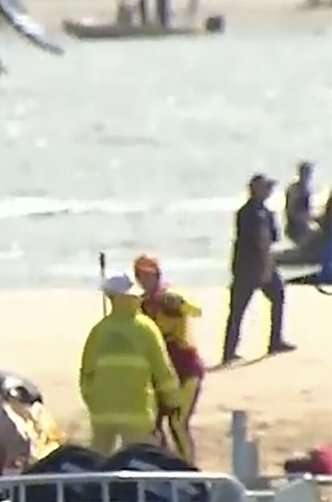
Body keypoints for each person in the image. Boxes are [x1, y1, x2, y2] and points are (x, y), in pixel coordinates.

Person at [79, 273, 181, 456]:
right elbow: (162, 370)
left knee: (98, 460)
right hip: (137, 410)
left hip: (102, 410)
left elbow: (86, 372)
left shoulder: (100, 329)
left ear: (110, 297)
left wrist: (91, 400)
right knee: (140, 459)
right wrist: (172, 400)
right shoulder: (146, 328)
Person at [134, 254, 205, 463]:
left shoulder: (170, 297)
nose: (145, 280)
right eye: (141, 276)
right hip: (160, 374)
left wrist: (179, 302)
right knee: (152, 425)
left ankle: (190, 471)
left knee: (178, 423)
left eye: (149, 275)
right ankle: (163, 466)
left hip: (185, 371)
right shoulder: (140, 306)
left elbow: (195, 310)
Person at [222, 173, 296, 364]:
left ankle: (273, 341)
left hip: (261, 265)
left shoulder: (264, 212)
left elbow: (274, 237)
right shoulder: (249, 213)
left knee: (277, 297)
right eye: (265, 187)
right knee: (238, 309)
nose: (269, 191)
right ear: (255, 189)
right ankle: (230, 351)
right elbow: (259, 240)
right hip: (250, 267)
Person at [284, 161, 314, 244]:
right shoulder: (295, 189)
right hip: (295, 226)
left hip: (303, 225)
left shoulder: (307, 190)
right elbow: (291, 210)